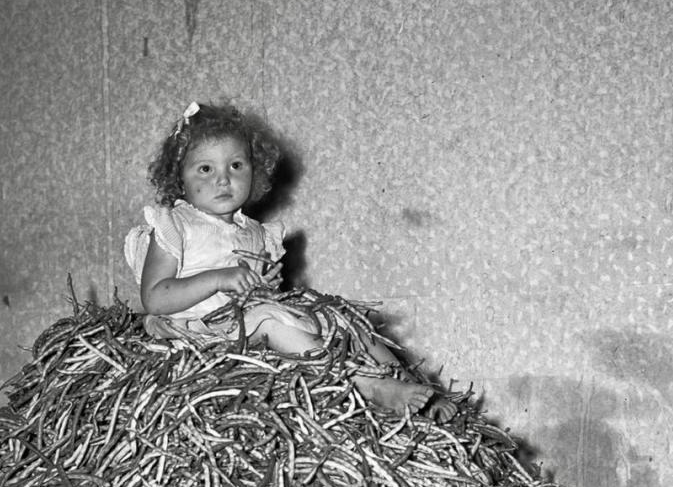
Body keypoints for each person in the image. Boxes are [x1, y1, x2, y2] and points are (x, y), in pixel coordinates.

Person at [123, 100, 455, 419]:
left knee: (342, 319)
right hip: (199, 331)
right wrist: (219, 279)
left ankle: (408, 385)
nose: (223, 179)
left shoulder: (254, 232)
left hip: (241, 322)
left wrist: (262, 285)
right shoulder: (175, 225)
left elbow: (252, 297)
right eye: (205, 168)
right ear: (179, 176)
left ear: (255, 171)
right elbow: (154, 298)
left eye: (236, 165)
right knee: (271, 322)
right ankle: (367, 384)